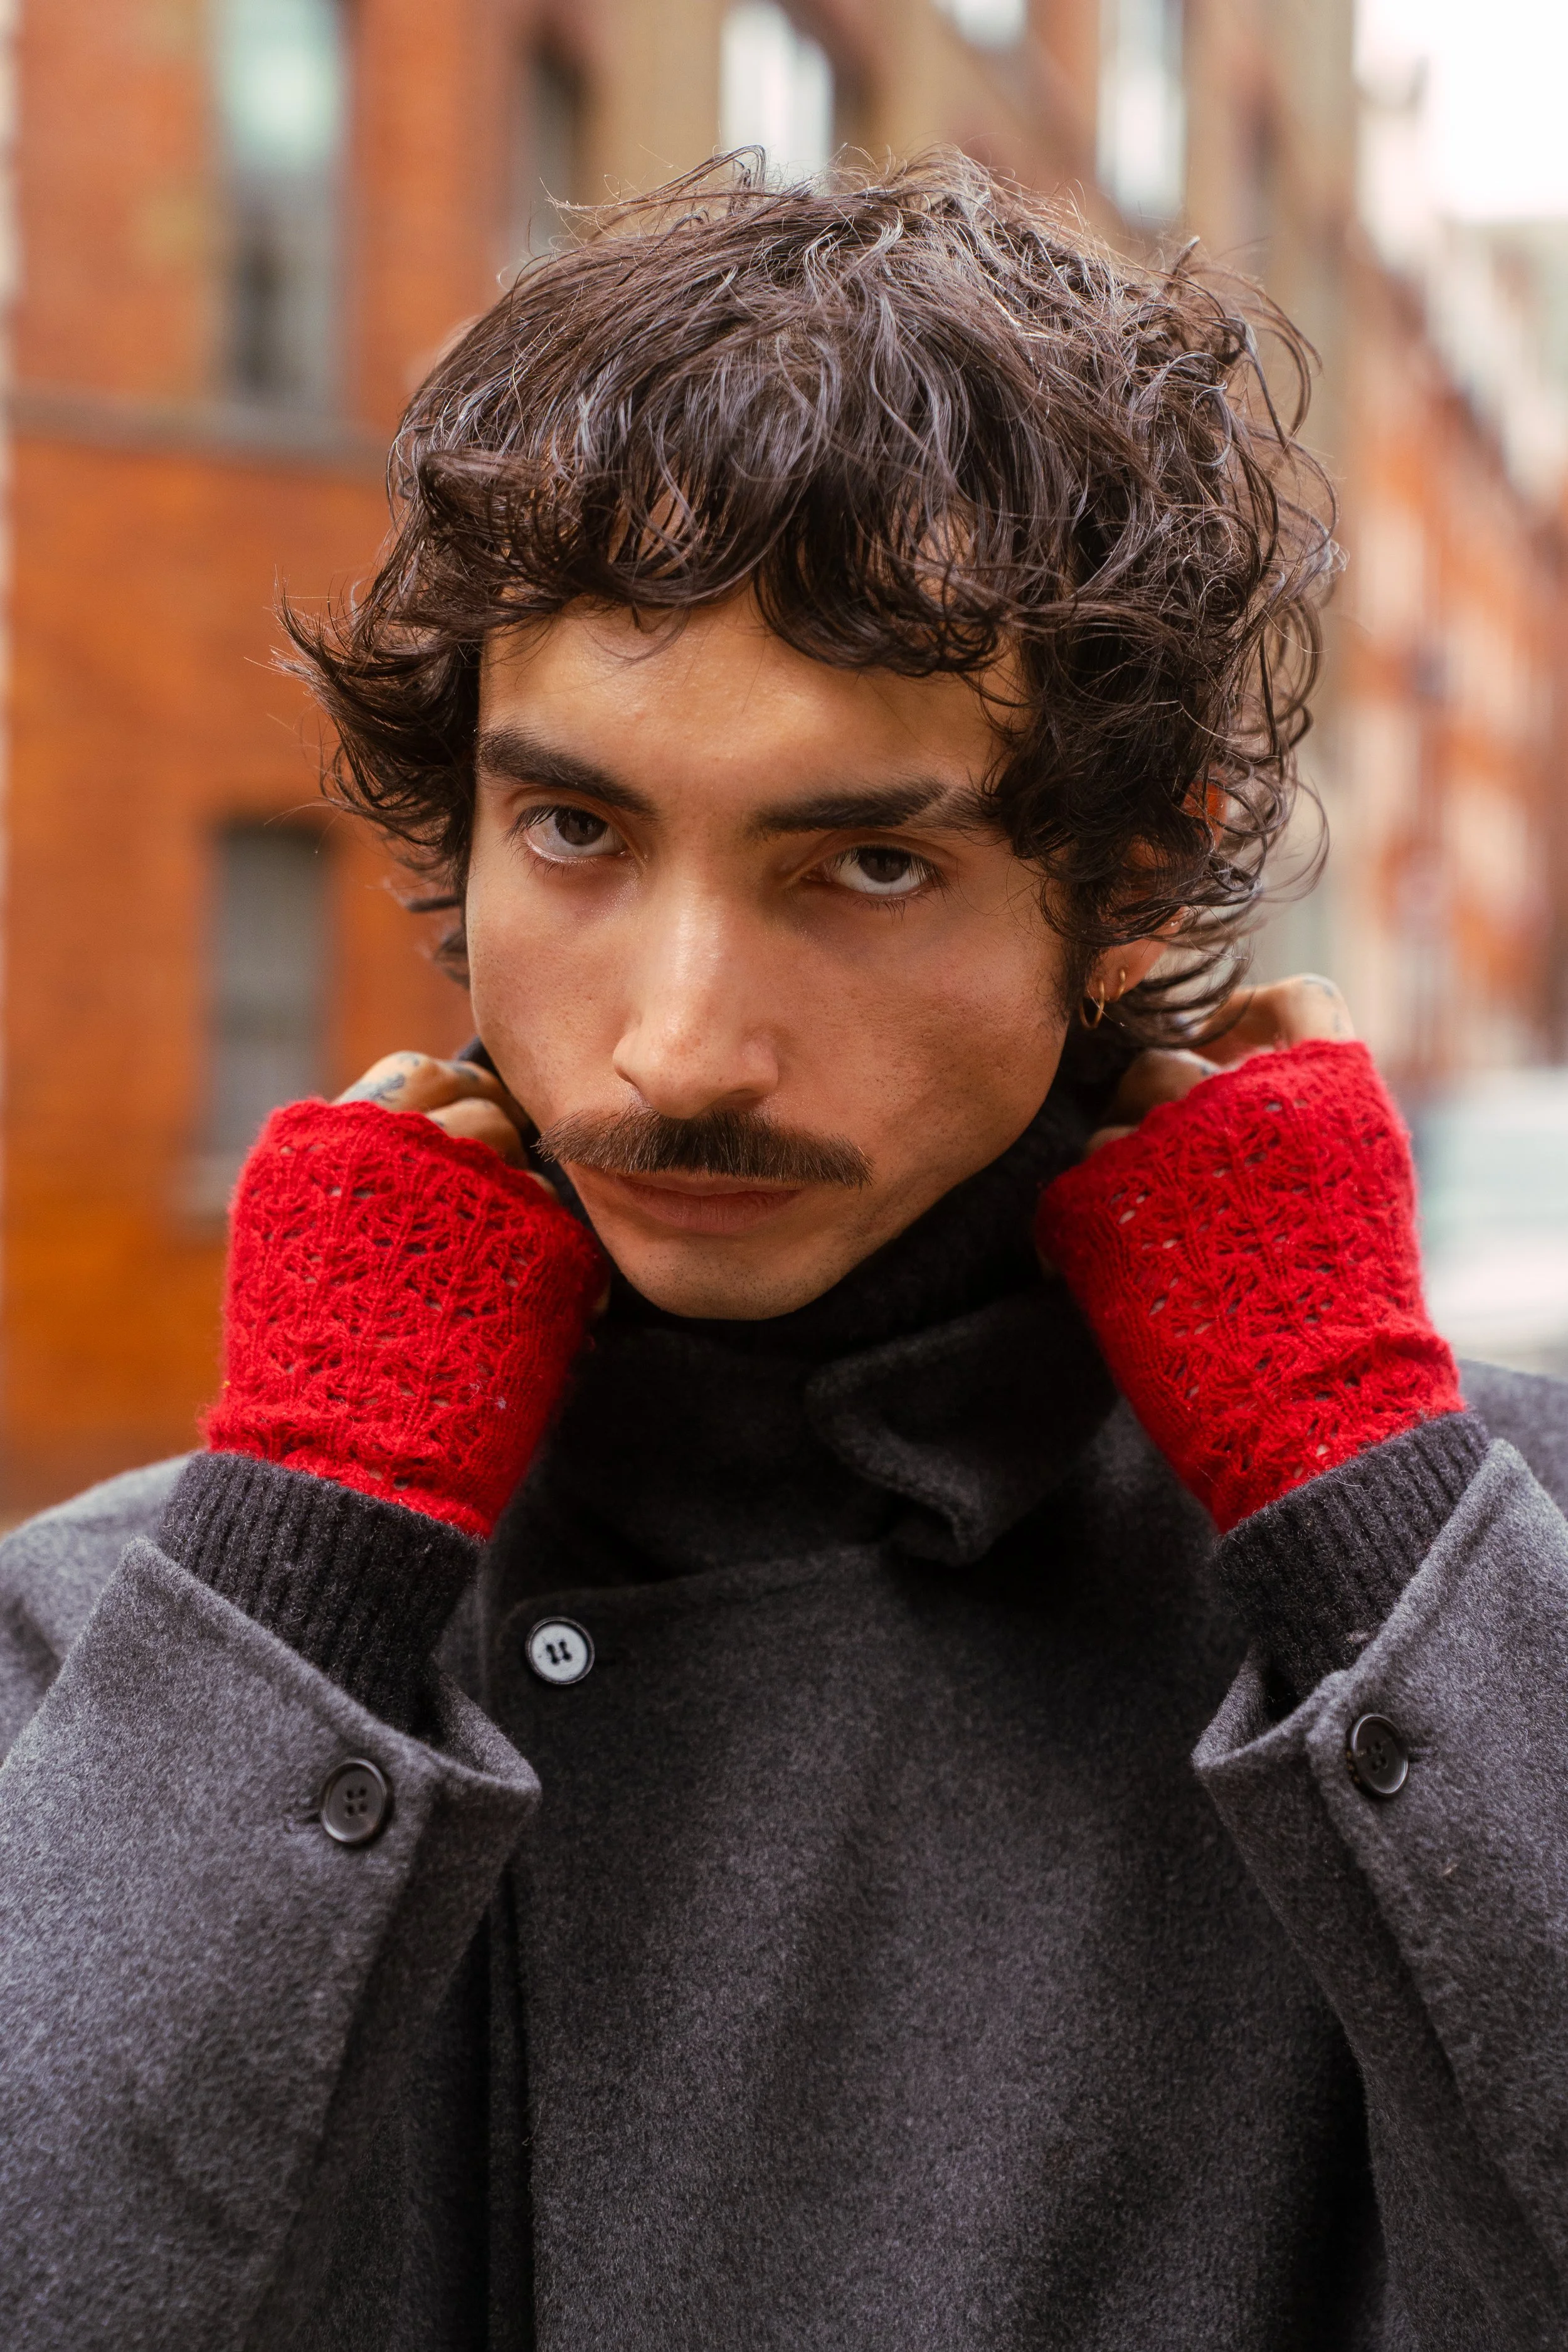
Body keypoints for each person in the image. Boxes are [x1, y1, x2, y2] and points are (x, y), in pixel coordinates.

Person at [2, 157, 1564, 2352]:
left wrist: (1348, 1474)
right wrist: (307, 1540)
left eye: (866, 866)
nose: (671, 1044)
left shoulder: (1460, 1597)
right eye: (576, 829)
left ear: (1126, 880)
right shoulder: (138, 1640)